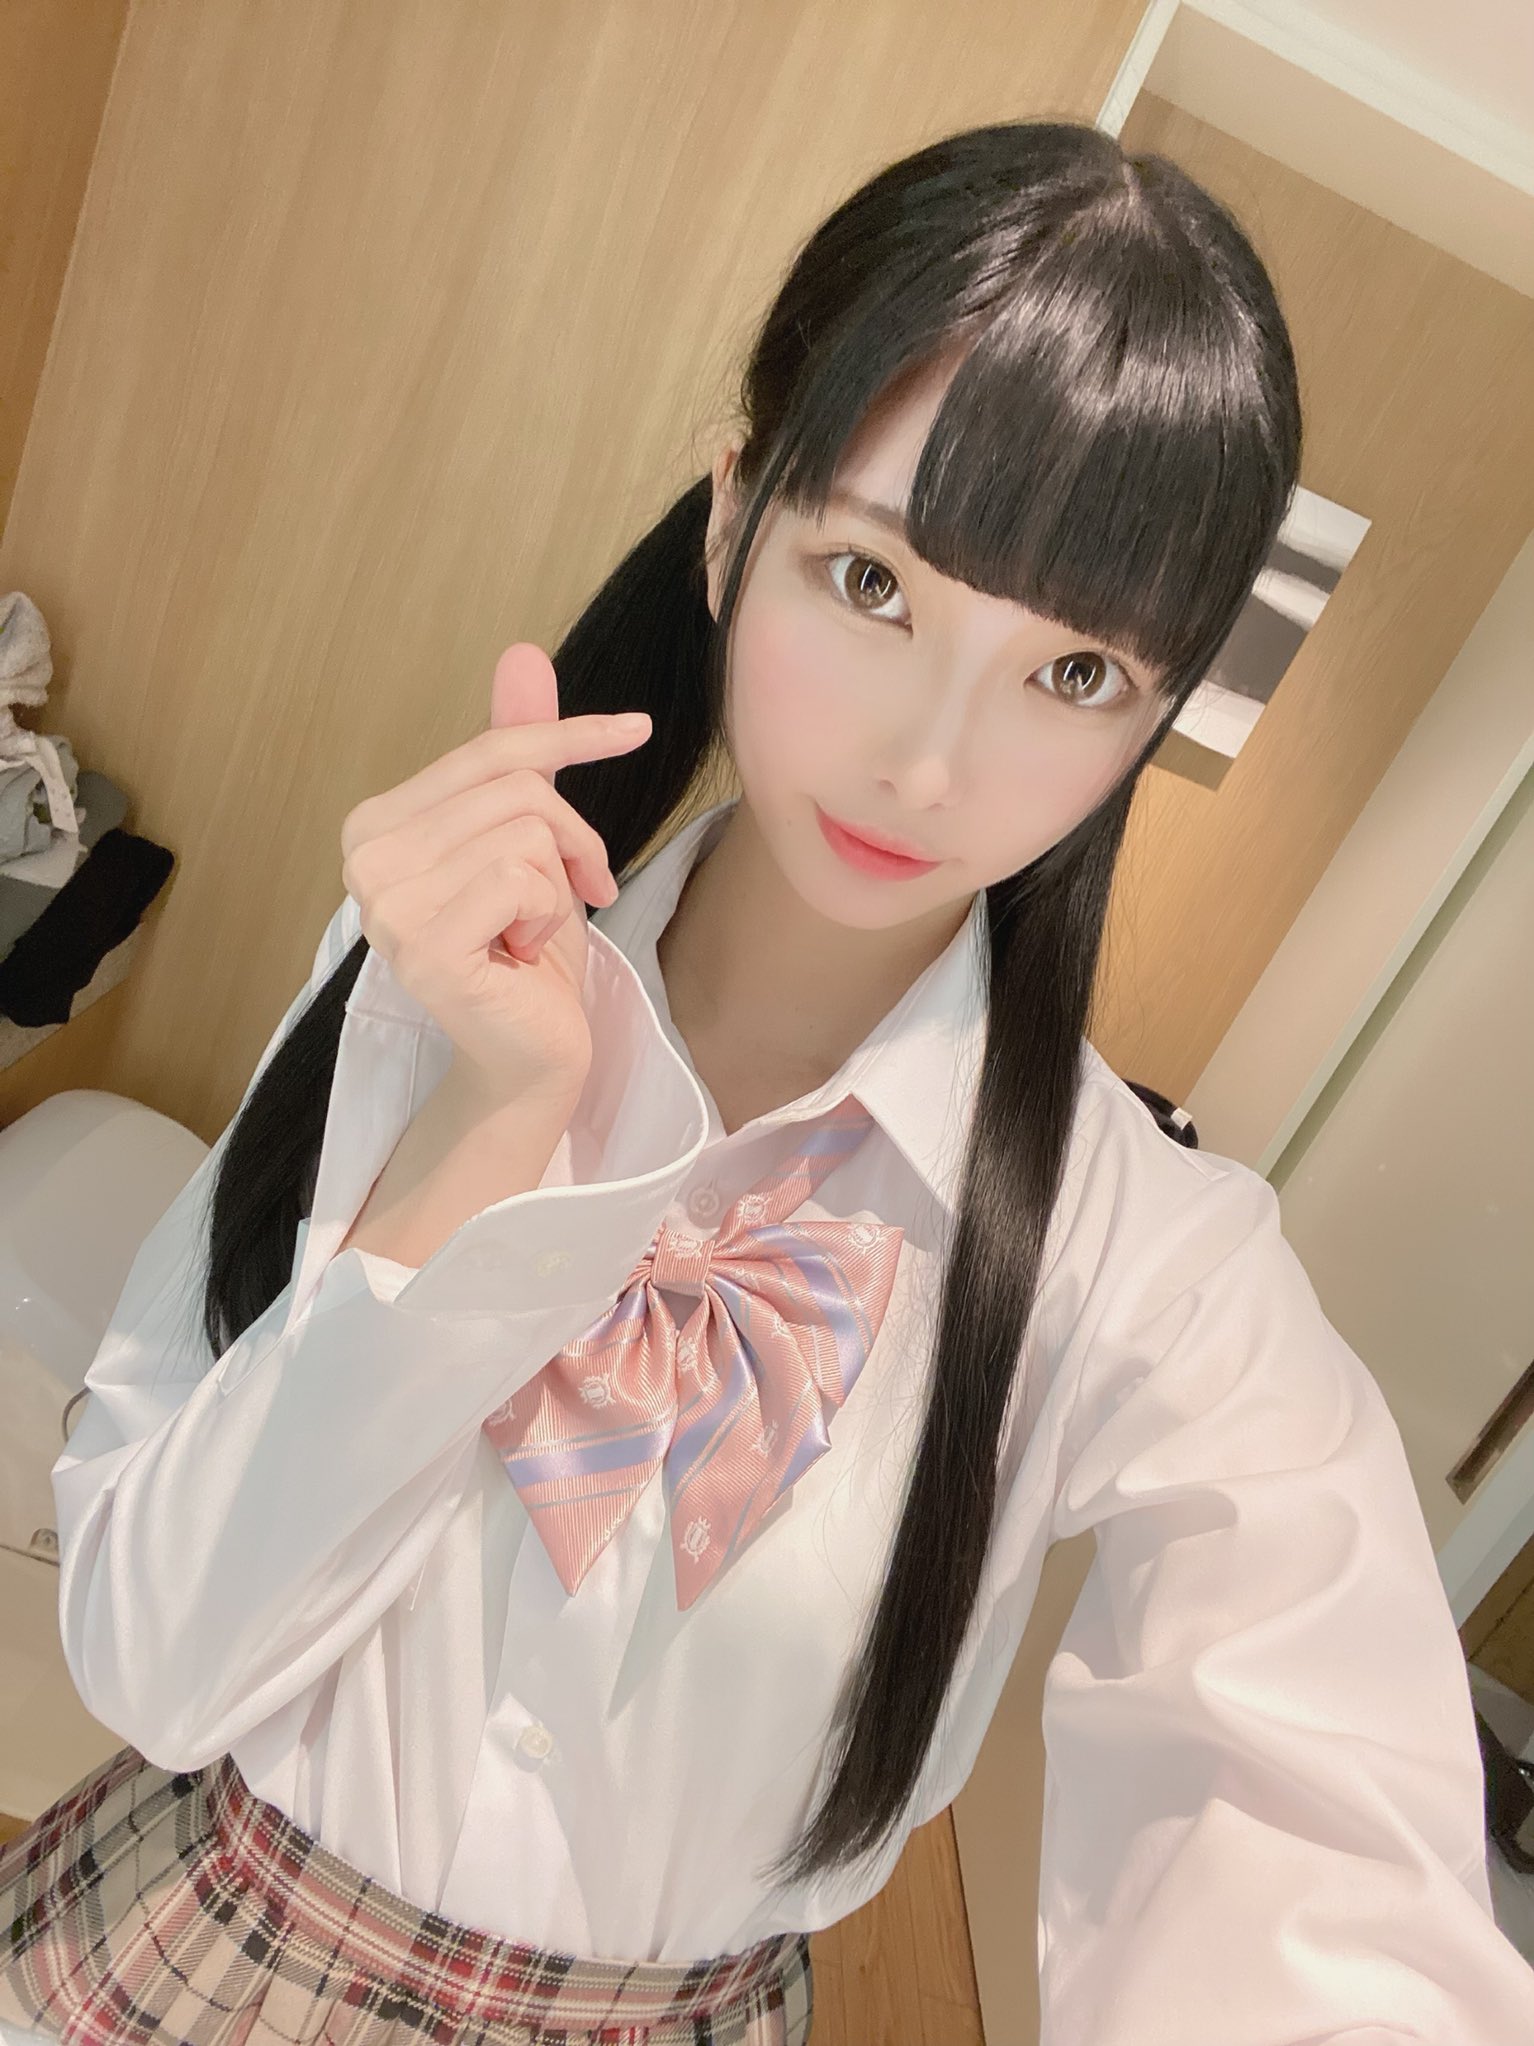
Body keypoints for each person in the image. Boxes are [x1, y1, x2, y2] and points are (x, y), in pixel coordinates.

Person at [3, 116, 1531, 2046]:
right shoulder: (421, 976)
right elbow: (149, 1660)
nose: (929, 760)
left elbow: (1320, 1827)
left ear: (1150, 711)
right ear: (733, 519)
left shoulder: (1145, 1260)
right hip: (179, 1952)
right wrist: (487, 1134)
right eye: (871, 580)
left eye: (1073, 675)